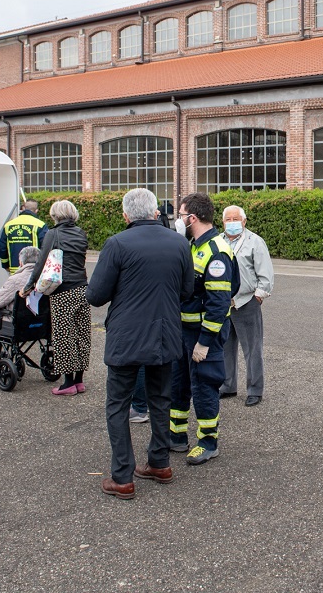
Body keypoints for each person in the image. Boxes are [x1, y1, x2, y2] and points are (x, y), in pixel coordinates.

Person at [86, 188, 193, 500]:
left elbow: (96, 295)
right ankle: (159, 463)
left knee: (118, 405)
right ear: (156, 213)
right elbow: (187, 291)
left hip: (127, 337)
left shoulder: (117, 243)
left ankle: (122, 477)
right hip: (164, 335)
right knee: (161, 399)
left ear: (126, 216)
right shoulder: (178, 242)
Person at [171, 192, 235, 465]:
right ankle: (176, 435)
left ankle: (208, 441)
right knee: (179, 383)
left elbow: (219, 303)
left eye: (181, 215)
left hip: (202, 334)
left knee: (204, 386)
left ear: (192, 218)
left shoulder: (216, 251)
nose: (178, 220)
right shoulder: (193, 245)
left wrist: (205, 341)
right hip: (184, 331)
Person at [22, 200, 90, 396]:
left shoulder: (54, 234)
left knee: (63, 335)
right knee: (82, 334)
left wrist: (28, 286)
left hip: (63, 290)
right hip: (82, 288)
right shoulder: (81, 233)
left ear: (56, 215)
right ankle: (79, 381)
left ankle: (67, 383)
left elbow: (41, 262)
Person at [219, 205, 274, 407]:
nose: (232, 222)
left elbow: (265, 275)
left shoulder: (255, 242)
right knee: (225, 348)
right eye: (228, 219)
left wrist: (258, 297)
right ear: (222, 222)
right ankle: (228, 385)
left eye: (236, 219)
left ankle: (254, 390)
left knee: (252, 349)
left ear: (244, 221)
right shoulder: (218, 241)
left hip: (246, 302)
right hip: (223, 303)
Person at [0, 200, 48, 274]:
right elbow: (46, 246)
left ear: (23, 208)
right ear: (36, 211)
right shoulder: (40, 225)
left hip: (15, 269)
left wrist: (5, 265)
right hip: (34, 269)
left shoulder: (8, 225)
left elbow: (2, 247)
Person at [0, 246, 40, 312]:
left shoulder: (15, 280)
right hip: (42, 319)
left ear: (21, 263)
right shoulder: (46, 277)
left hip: (17, 319)